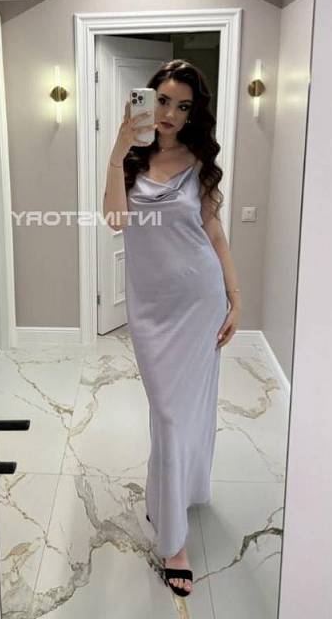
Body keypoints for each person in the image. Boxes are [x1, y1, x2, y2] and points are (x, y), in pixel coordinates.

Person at [102, 59, 241, 598]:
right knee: (166, 411)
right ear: (146, 99)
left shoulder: (199, 163)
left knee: (186, 412)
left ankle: (174, 534)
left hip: (200, 300)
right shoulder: (130, 159)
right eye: (162, 100)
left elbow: (214, 232)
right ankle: (170, 500)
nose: (170, 114)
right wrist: (118, 149)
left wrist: (234, 295)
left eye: (183, 106)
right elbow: (115, 219)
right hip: (151, 309)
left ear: (192, 113)